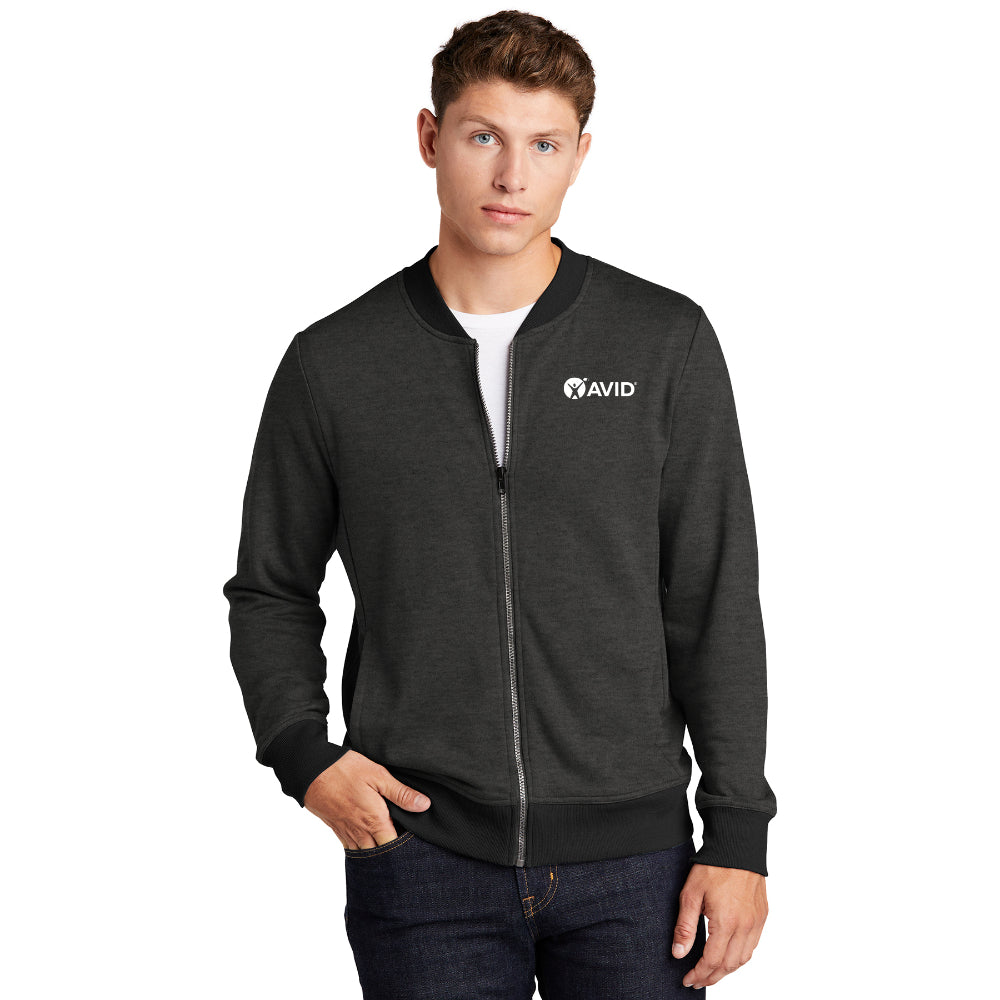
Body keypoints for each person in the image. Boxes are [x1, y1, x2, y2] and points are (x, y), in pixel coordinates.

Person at [222, 9, 777, 998]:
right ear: (430, 138)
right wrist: (304, 756)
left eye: (544, 145)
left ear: (580, 156)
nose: (513, 175)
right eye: (483, 136)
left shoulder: (663, 342)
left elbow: (713, 595)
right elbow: (271, 588)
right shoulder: (335, 364)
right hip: (421, 857)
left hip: (637, 864)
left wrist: (737, 832)